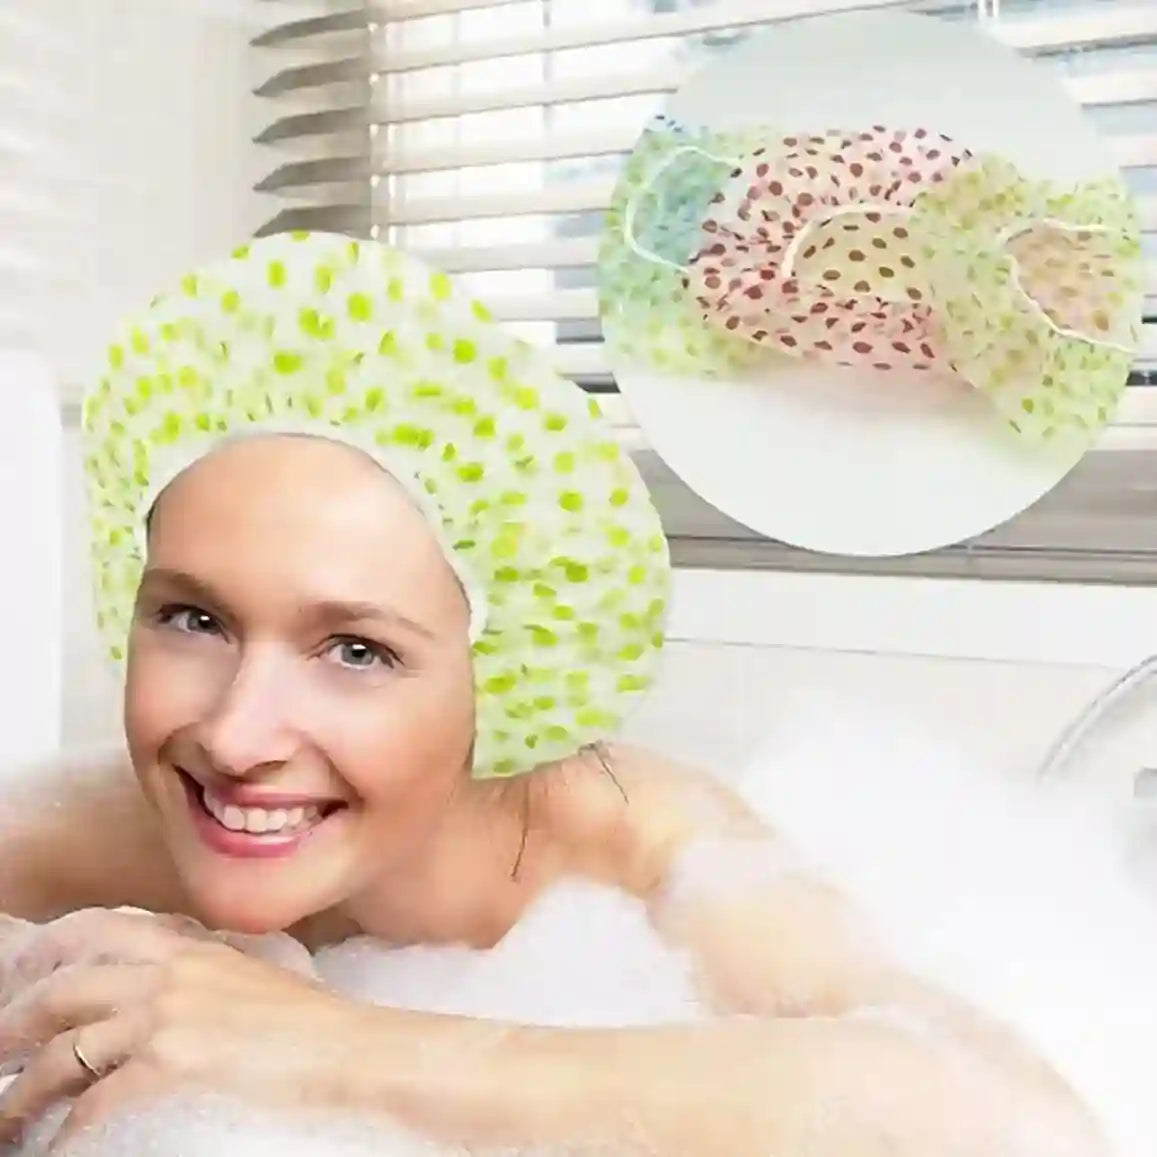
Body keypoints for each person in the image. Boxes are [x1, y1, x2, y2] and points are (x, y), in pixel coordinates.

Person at [0, 233, 1119, 1156]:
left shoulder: (640, 848)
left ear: (503, 667)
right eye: (194, 617)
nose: (236, 734)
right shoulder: (119, 824)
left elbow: (1010, 1119)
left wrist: (325, 1040)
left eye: (356, 649)